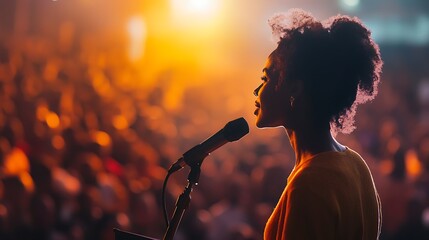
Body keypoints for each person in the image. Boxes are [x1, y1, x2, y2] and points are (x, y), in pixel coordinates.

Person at [253, 9, 383, 240]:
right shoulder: (355, 164)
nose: (256, 90)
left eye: (265, 78)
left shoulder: (309, 185)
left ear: (294, 88)